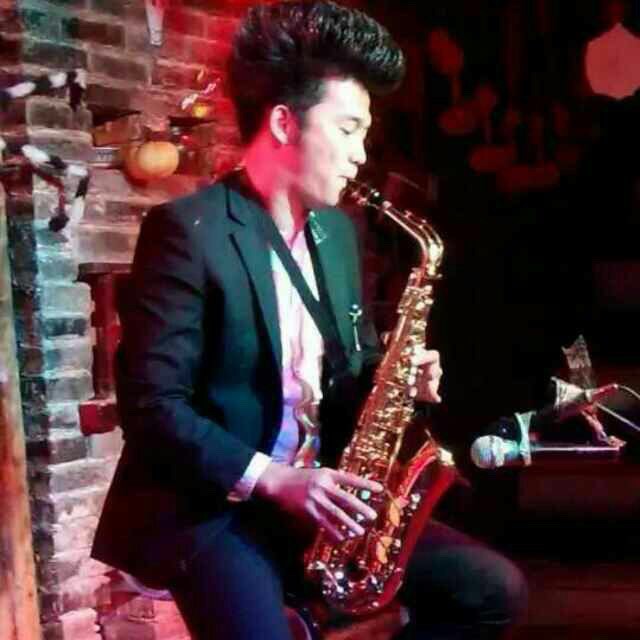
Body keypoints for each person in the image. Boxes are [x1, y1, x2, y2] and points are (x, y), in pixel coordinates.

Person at [92, 2, 527, 638]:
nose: (360, 154)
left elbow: (351, 365)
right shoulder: (188, 232)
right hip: (218, 504)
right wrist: (276, 480)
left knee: (492, 590)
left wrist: (393, 378)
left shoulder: (337, 234)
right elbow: (153, 409)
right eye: (349, 129)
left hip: (320, 497)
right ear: (283, 123)